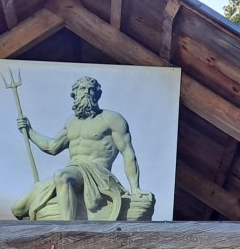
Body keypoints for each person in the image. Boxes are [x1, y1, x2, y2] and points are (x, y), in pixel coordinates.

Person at [11, 76, 152, 221]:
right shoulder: (71, 122)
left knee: (61, 176)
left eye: (91, 90)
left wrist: (135, 188)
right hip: (73, 172)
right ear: (74, 94)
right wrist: (29, 131)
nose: (87, 92)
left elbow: (128, 154)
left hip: (97, 173)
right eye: (82, 89)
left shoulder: (112, 119)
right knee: (18, 208)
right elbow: (52, 147)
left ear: (97, 95)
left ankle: (68, 228)